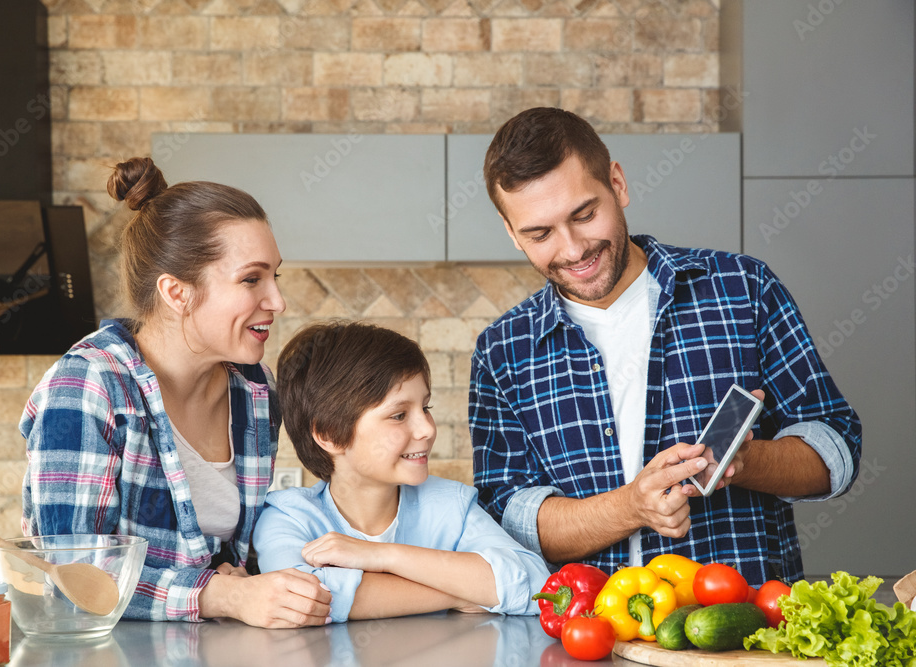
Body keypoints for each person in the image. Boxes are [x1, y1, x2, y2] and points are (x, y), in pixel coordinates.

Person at [469, 107, 862, 586]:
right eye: (540, 233)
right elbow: (509, 518)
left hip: (741, 639)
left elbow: (837, 451)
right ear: (512, 233)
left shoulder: (744, 288)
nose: (572, 249)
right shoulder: (502, 351)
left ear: (618, 183)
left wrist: (745, 461)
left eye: (584, 214)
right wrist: (630, 506)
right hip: (586, 641)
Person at [20, 157, 332, 627]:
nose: (277, 301)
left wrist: (235, 578)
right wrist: (222, 595)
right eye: (251, 279)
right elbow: (72, 576)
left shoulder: (255, 390)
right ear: (176, 292)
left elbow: (225, 558)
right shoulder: (89, 387)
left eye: (275, 276)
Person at [254, 321, 550, 622]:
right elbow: (302, 599)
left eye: (426, 408)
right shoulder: (288, 516)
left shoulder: (451, 504)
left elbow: (536, 584)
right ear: (329, 434)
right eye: (399, 415)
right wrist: (463, 590)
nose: (426, 429)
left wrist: (382, 557)